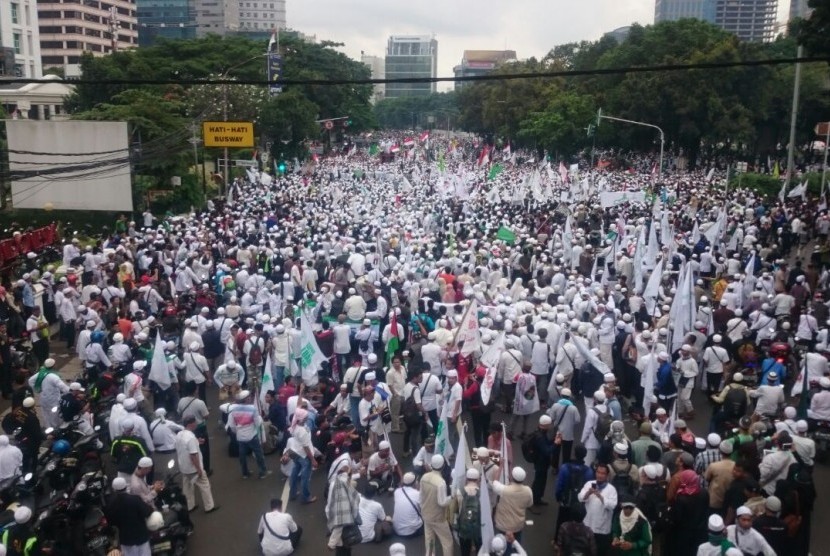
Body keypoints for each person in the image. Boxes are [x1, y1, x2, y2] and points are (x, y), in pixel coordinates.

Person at [175, 415, 218, 513]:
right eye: (194, 422)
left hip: (183, 468)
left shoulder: (179, 434)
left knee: (187, 488)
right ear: (191, 424)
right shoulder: (190, 437)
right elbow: (193, 455)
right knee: (205, 485)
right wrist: (199, 469)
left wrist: (196, 442)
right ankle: (209, 506)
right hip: (193, 468)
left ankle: (190, 506)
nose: (196, 424)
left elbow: (183, 447)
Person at [105, 477, 153, 556]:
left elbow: (110, 522)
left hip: (126, 541)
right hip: (141, 538)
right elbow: (147, 512)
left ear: (113, 489)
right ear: (126, 487)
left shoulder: (111, 505)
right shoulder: (135, 499)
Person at [578, 462, 618, 555]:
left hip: (602, 530)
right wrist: (588, 493)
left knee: (600, 552)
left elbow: (612, 505)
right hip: (587, 525)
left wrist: (600, 496)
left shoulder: (611, 489)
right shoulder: (589, 484)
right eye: (598, 472)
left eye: (602, 473)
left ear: (607, 475)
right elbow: (580, 497)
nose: (599, 475)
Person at [227, 389, 269, 479]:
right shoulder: (252, 409)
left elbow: (232, 426)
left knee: (242, 456)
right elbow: (257, 423)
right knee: (259, 454)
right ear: (246, 399)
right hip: (252, 435)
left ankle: (245, 473)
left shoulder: (233, 410)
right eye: (249, 397)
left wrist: (237, 432)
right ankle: (262, 472)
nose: (250, 398)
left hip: (240, 436)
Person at [669, 469, 710, 556]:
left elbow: (677, 518)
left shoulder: (682, 498)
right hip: (701, 531)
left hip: (685, 534)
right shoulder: (704, 493)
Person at [419, 454, 454, 556]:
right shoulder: (441, 482)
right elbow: (442, 502)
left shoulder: (424, 477)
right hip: (438, 518)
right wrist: (452, 497)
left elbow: (420, 497)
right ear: (443, 466)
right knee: (447, 541)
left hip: (426, 514)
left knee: (429, 540)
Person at [284, 407, 317, 504]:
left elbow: (298, 408)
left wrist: (301, 393)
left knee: (294, 472)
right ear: (302, 418)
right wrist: (313, 460)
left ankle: (293, 493)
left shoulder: (295, 423)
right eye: (306, 416)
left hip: (294, 451)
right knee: (305, 477)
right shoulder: (302, 431)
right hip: (303, 454)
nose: (308, 417)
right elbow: (306, 448)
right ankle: (306, 497)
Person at [325, 463, 361, 554]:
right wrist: (332, 543)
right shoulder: (344, 487)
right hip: (345, 535)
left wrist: (331, 543)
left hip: (341, 537)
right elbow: (341, 521)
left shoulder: (336, 483)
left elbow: (339, 522)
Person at [493, 466, 534, 541]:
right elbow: (529, 504)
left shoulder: (504, 490)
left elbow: (495, 483)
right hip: (518, 525)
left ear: (512, 477)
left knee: (502, 545)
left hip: (503, 525)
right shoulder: (528, 491)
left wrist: (500, 466)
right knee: (516, 544)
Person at [28, 358, 68, 429]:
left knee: (45, 414)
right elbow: (63, 387)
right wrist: (70, 391)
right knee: (55, 415)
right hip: (53, 400)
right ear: (53, 366)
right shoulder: (53, 376)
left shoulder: (41, 373)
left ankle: (48, 427)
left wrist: (37, 389)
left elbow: (30, 380)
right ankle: (55, 429)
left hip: (43, 399)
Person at [529, 414, 555, 507]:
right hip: (541, 462)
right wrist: (555, 444)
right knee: (539, 480)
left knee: (539, 480)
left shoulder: (538, 434)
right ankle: (535, 498)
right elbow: (547, 451)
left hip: (539, 461)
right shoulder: (540, 437)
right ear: (546, 425)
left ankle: (536, 497)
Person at [456, 468, 483, 556]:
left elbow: (457, 509)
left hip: (464, 527)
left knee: (465, 551)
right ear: (478, 479)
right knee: (480, 550)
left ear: (466, 478)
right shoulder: (482, 493)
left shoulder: (460, 491)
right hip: (478, 527)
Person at [392, 472, 423, 538]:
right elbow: (422, 509)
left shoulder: (397, 491)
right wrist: (418, 489)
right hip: (411, 532)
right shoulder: (417, 494)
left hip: (396, 529)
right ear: (415, 482)